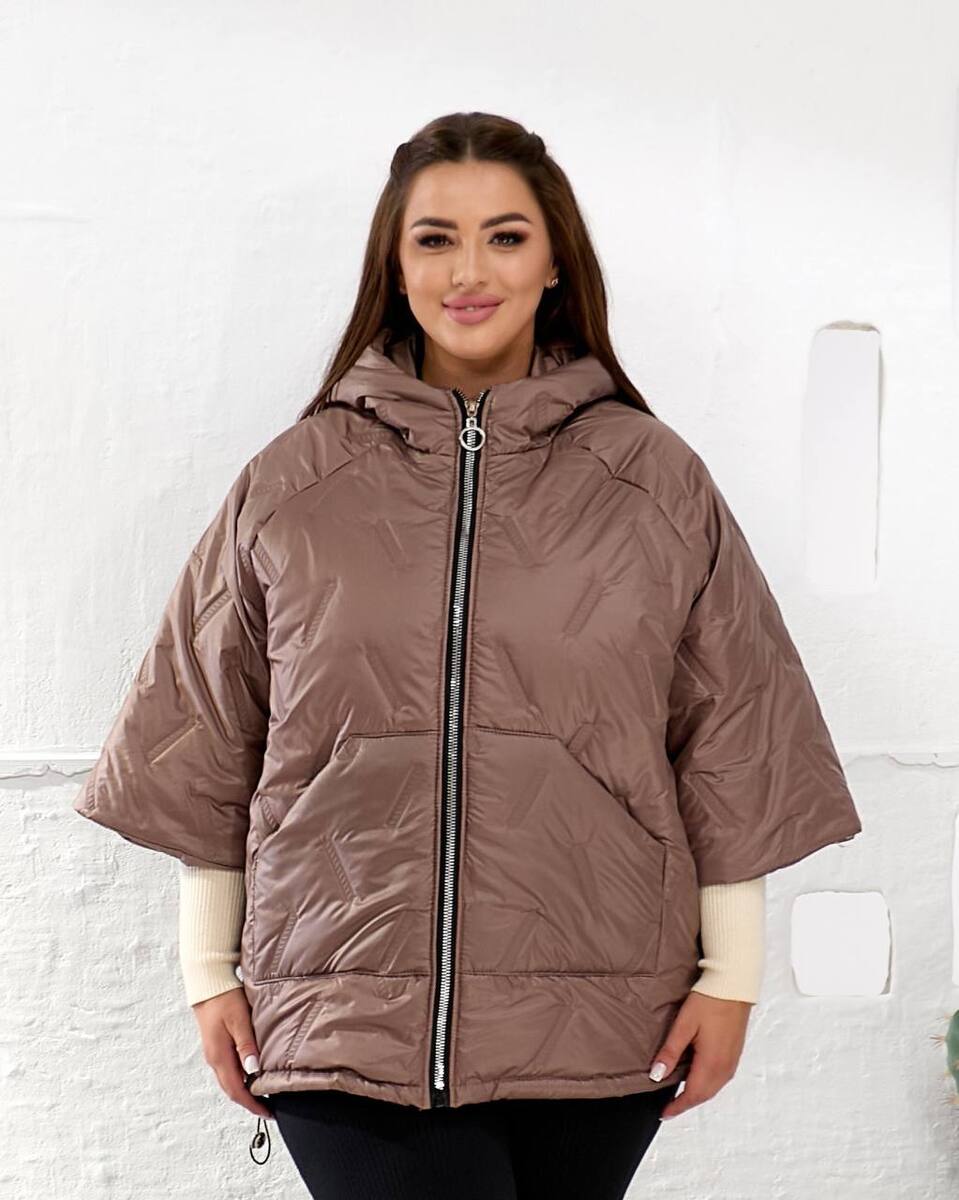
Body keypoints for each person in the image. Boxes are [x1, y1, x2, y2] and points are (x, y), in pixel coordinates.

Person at [74, 111, 862, 1199]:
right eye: (435, 239)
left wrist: (729, 977)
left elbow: (734, 735)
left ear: (554, 262)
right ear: (393, 268)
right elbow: (207, 736)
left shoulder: (652, 481)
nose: (468, 272)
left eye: (505, 236)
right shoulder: (295, 483)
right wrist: (210, 972)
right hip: (339, 1003)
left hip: (602, 1010)